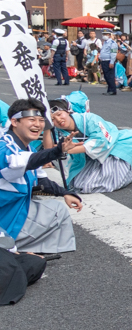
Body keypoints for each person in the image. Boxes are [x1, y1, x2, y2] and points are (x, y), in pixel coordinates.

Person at [0, 99, 80, 254]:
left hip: (13, 209)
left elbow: (40, 179)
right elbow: (26, 162)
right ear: (14, 122)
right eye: (31, 120)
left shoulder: (26, 146)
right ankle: (14, 251)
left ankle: (23, 251)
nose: (37, 125)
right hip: (4, 217)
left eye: (41, 120)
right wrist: (57, 151)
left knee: (57, 209)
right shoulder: (4, 147)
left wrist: (65, 193)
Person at [48, 100, 132, 193]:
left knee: (106, 182)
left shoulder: (89, 119)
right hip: (89, 157)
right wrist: (47, 127)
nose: (58, 120)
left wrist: (67, 150)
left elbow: (101, 141)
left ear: (67, 111)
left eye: (59, 114)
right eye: (52, 119)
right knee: (79, 185)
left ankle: (127, 173)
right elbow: (49, 150)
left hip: (112, 149)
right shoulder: (57, 131)